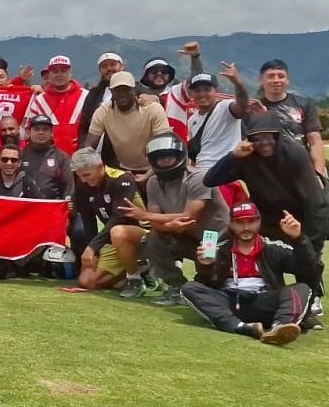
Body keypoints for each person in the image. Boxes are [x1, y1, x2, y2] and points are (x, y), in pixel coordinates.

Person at [204, 112, 327, 318]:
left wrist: (310, 244)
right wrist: (232, 156)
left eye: (269, 136)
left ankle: (311, 296)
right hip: (265, 219)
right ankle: (234, 288)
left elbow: (315, 202)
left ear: (278, 135)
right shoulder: (244, 158)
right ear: (248, 138)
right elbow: (210, 180)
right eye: (257, 138)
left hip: (299, 219)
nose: (264, 143)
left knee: (307, 258)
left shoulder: (294, 153)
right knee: (232, 244)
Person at [181, 203, 316, 345]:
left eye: (251, 221)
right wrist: (207, 265)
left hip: (265, 301)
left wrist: (299, 239)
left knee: (301, 288)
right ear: (231, 224)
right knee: (189, 288)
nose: (246, 228)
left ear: (259, 222)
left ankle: (280, 327)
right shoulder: (219, 249)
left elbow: (308, 270)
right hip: (230, 303)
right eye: (240, 222)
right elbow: (206, 285)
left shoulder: (273, 247)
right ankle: (242, 328)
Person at [118, 133, 229, 306]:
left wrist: (145, 215)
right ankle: (176, 287)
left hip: (214, 238)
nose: (164, 161)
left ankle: (208, 283)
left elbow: (188, 216)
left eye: (168, 156)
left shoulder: (198, 178)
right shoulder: (153, 182)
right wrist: (170, 226)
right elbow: (157, 223)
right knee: (153, 239)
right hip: (184, 235)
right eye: (159, 158)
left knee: (210, 285)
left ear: (179, 155)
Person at [69, 147, 148, 296]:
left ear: (100, 167)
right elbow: (88, 221)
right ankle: (139, 269)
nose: (84, 180)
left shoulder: (122, 179)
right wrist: (94, 251)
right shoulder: (82, 184)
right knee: (87, 281)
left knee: (117, 232)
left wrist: (92, 248)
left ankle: (135, 279)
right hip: (113, 239)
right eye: (79, 176)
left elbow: (119, 218)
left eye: (86, 175)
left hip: (141, 235)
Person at [84, 70, 172, 178]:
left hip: (156, 169)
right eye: (117, 90)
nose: (122, 94)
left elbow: (165, 146)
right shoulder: (103, 112)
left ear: (134, 90)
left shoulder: (152, 109)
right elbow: (89, 146)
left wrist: (147, 175)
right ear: (111, 91)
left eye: (126, 90)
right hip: (124, 169)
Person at [256, 59, 326, 177]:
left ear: (287, 80)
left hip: (302, 167)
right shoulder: (254, 108)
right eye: (271, 76)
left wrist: (318, 174)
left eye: (281, 76)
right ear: (260, 80)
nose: (276, 80)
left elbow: (315, 141)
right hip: (269, 172)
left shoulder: (304, 104)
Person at [186, 64, 249, 171]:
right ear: (191, 94)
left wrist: (237, 83)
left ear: (217, 91)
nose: (202, 94)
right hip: (201, 173)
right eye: (197, 90)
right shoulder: (192, 120)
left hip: (225, 171)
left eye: (207, 89)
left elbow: (242, 105)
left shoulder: (225, 107)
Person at [24, 55, 87, 154]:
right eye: (55, 71)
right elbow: (28, 130)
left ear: (70, 72)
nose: (59, 74)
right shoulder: (39, 100)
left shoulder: (86, 96)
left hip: (80, 158)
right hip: (47, 158)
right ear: (49, 74)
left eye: (63, 71)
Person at [20, 115, 73, 200]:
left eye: (45, 129)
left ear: (51, 133)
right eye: (36, 129)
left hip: (52, 208)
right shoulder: (19, 155)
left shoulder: (61, 157)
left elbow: (69, 186)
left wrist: (67, 202)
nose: (41, 132)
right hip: (25, 208)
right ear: (29, 132)